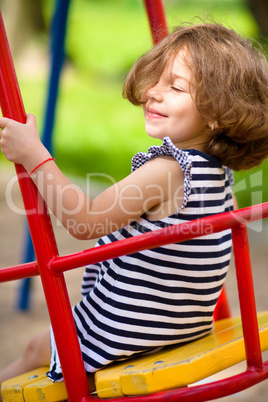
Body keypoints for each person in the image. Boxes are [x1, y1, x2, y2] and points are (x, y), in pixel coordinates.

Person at [0, 21, 268, 393]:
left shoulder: (168, 170)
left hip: (126, 332)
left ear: (220, 113)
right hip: (182, 327)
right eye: (155, 80)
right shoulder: (218, 174)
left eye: (174, 87)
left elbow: (85, 222)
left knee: (36, 349)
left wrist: (34, 156)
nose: (154, 93)